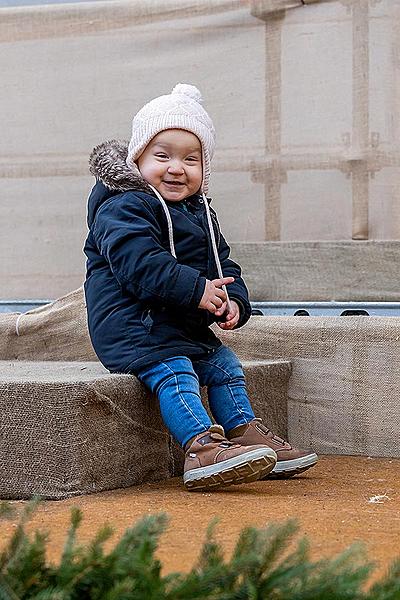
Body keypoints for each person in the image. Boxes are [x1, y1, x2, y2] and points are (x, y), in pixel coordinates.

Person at [83, 83, 318, 491]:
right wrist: (196, 291)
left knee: (224, 365)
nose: (177, 168)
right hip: (134, 326)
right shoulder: (122, 206)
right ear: (138, 157)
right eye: (163, 156)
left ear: (204, 169)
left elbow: (223, 263)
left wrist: (234, 302)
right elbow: (139, 264)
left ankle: (244, 433)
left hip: (178, 324)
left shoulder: (200, 213)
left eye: (191, 159)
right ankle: (200, 447)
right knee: (175, 371)